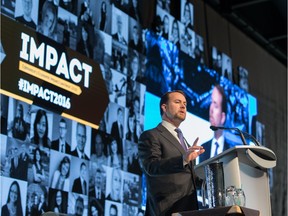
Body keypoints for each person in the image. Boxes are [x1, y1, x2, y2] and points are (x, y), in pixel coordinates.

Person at [138, 90, 205, 215]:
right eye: (177, 102)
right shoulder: (151, 135)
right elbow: (151, 166)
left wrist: (213, 181)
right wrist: (183, 159)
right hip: (166, 210)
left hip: (189, 210)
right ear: (164, 107)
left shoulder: (185, 143)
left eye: (185, 103)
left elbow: (190, 179)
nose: (183, 106)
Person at [199, 84, 231, 163]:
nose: (211, 109)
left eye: (216, 105)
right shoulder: (203, 149)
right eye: (211, 103)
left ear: (223, 117)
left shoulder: (231, 152)